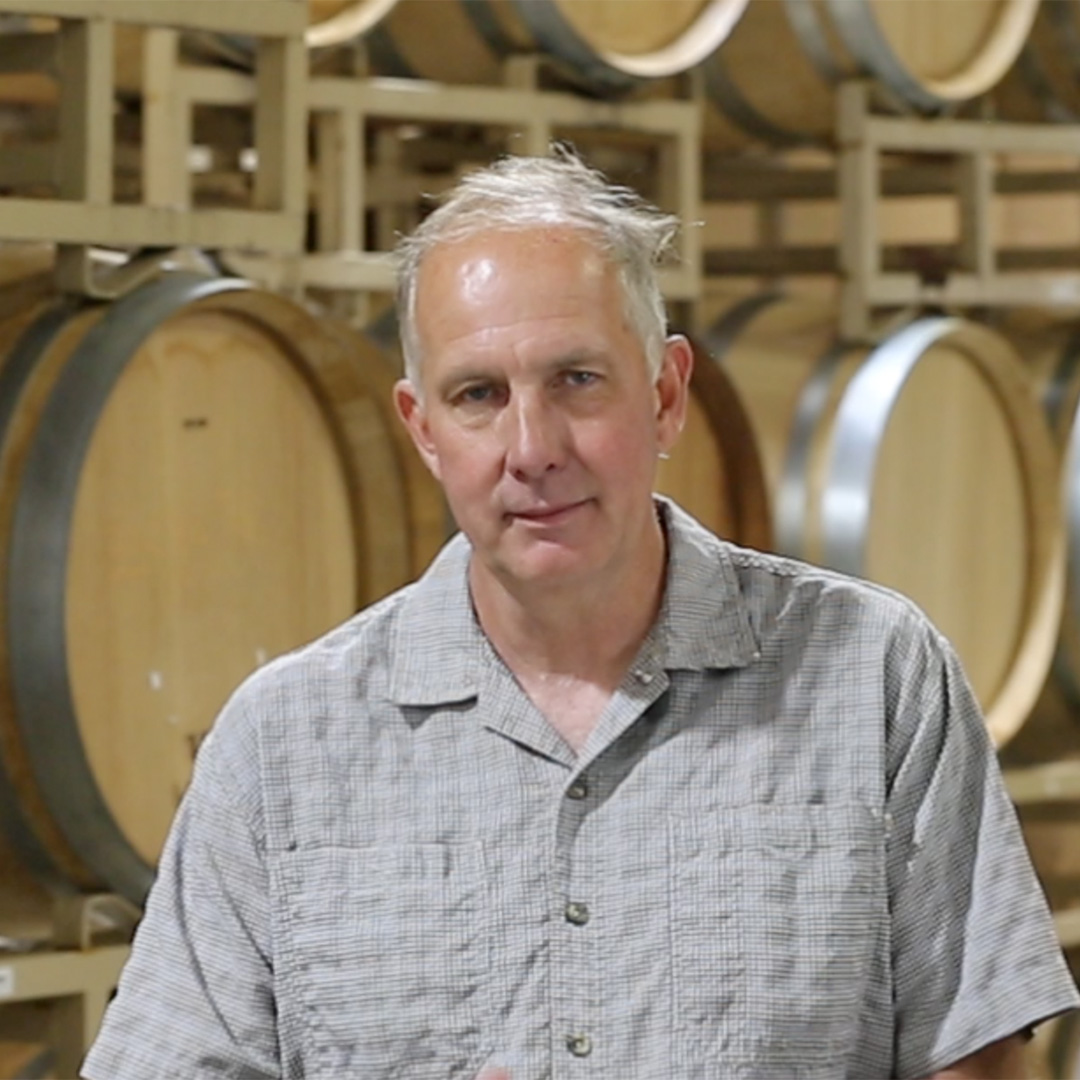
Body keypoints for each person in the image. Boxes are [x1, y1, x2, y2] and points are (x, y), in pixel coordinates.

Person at [83, 148, 1078, 1080]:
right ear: (423, 430)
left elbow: (976, 1056)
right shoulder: (283, 743)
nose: (533, 446)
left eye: (576, 380)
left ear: (666, 394)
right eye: (478, 395)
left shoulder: (876, 677)